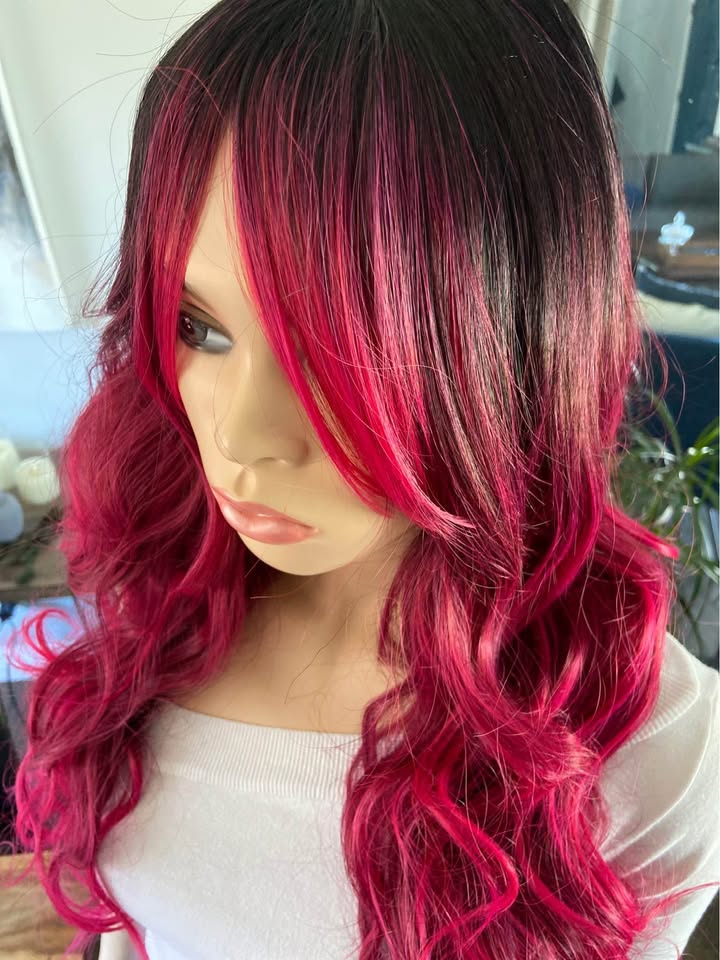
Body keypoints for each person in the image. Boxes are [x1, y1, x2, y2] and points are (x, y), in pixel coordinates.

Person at [2, 1, 718, 958]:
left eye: (333, 351)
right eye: (196, 325)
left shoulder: (659, 753)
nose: (241, 437)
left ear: (515, 345)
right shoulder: (170, 591)